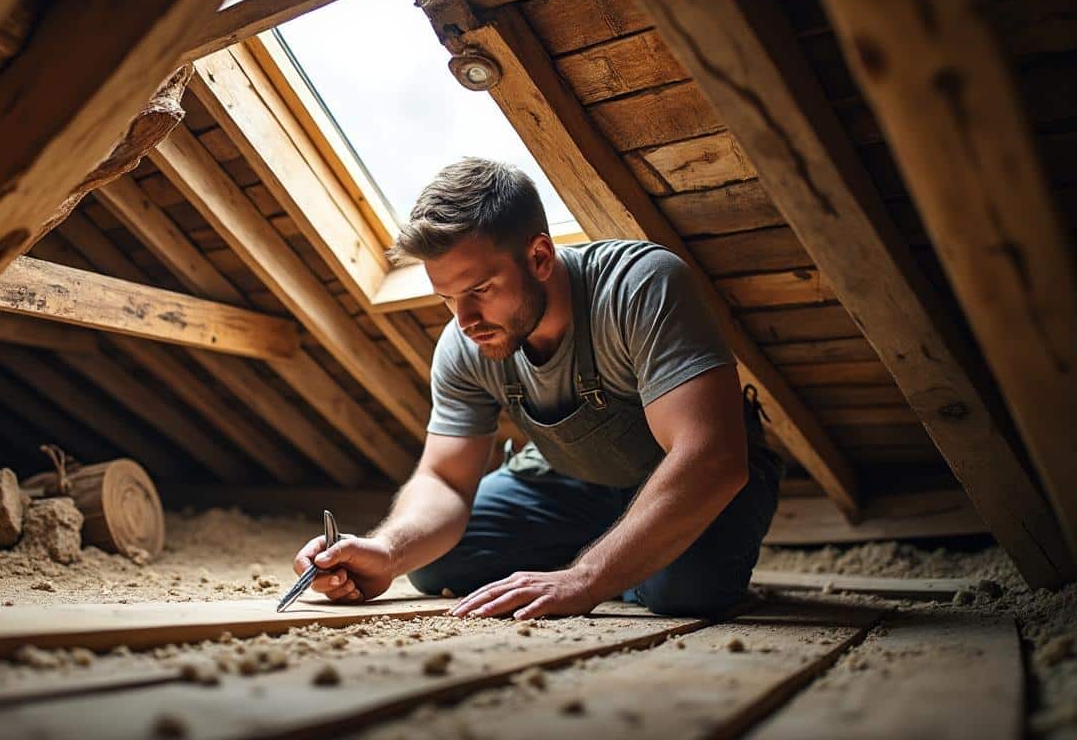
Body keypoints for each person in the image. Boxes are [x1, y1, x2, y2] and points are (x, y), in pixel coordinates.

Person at [292, 158, 784, 619]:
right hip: (572, 482)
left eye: (480, 291)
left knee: (683, 594)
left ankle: (613, 557)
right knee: (434, 566)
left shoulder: (639, 286)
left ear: (540, 257)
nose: (464, 321)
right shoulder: (465, 341)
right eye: (447, 299)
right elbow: (444, 479)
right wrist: (387, 550)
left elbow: (711, 456)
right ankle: (620, 552)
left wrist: (587, 578)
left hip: (690, 476)